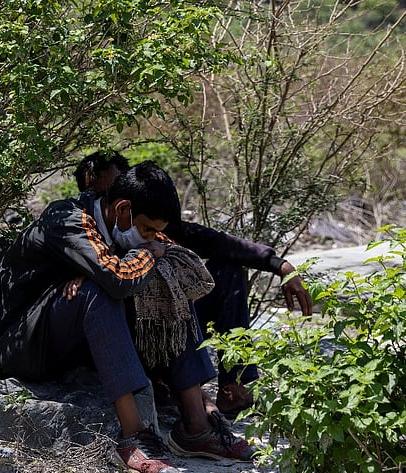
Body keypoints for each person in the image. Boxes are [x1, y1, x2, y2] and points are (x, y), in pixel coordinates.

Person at [0, 161, 255, 473]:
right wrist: (146, 256)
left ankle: (196, 424)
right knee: (101, 289)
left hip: (70, 335)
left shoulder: (131, 222)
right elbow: (118, 279)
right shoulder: (67, 217)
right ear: (122, 208)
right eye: (148, 229)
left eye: (155, 231)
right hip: (20, 340)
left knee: (165, 280)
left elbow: (179, 259)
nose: (152, 237)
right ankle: (132, 435)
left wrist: (142, 255)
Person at [73, 150, 314, 415]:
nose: (116, 199)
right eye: (103, 192)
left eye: (119, 187)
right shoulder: (78, 228)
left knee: (227, 271)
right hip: (121, 337)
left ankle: (233, 385)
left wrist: (280, 265)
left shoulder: (149, 219)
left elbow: (214, 241)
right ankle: (178, 391)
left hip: (169, 327)